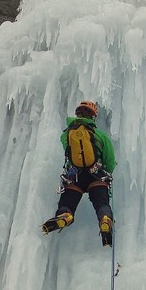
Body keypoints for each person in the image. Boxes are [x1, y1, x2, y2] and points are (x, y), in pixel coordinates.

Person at [41, 100, 117, 246]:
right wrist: (106, 173)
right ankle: (105, 219)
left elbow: (68, 153)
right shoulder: (100, 135)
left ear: (77, 114)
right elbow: (110, 160)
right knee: (101, 204)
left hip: (74, 176)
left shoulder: (66, 135)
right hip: (97, 175)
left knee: (67, 204)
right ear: (93, 117)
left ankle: (65, 215)